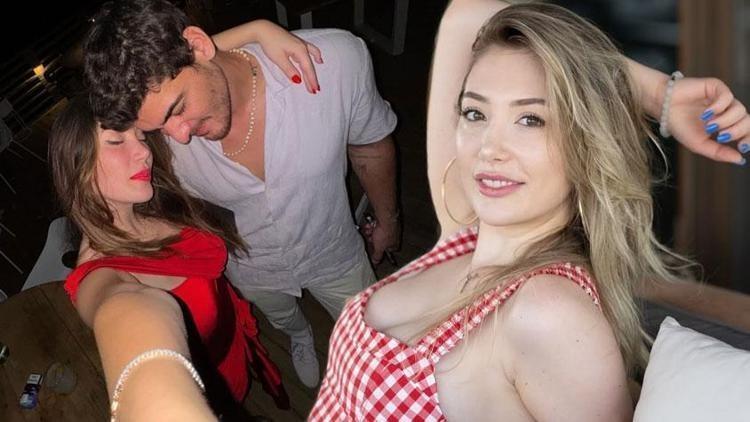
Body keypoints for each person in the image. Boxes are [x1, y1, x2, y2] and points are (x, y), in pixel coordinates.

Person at [309, 1, 750, 420]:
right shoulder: (464, 228)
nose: (490, 148)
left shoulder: (547, 310)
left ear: (588, 145)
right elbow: (471, 13)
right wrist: (661, 96)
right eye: (475, 113)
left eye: (531, 119)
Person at [83, 0, 400, 388]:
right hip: (252, 268)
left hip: (334, 251)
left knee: (376, 340)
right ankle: (299, 335)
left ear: (199, 45)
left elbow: (370, 149)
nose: (179, 136)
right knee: (281, 317)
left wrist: (388, 220)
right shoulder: (156, 132)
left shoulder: (333, 62)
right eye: (158, 129)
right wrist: (254, 28)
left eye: (177, 109)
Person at [50, 25, 325, 420]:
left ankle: (297, 333)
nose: (144, 152)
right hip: (211, 385)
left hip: (237, 342)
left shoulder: (148, 196)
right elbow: (123, 314)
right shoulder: (101, 277)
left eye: (141, 136)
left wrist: (260, 30)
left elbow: (176, 74)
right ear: (77, 166)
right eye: (116, 141)